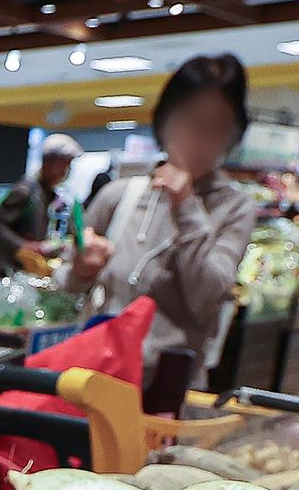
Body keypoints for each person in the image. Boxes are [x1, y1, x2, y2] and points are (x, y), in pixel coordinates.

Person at [68, 53, 255, 395]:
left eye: (217, 127)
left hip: (170, 393)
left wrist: (186, 205)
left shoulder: (235, 207)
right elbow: (68, 287)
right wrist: (81, 269)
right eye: (191, 122)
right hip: (96, 379)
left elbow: (207, 297)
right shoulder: (120, 195)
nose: (201, 139)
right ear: (165, 121)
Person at [0, 133, 81, 279]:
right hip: (7, 272)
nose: (67, 170)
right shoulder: (25, 191)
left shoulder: (47, 193)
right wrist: (23, 245)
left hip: (24, 273)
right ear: (49, 162)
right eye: (64, 164)